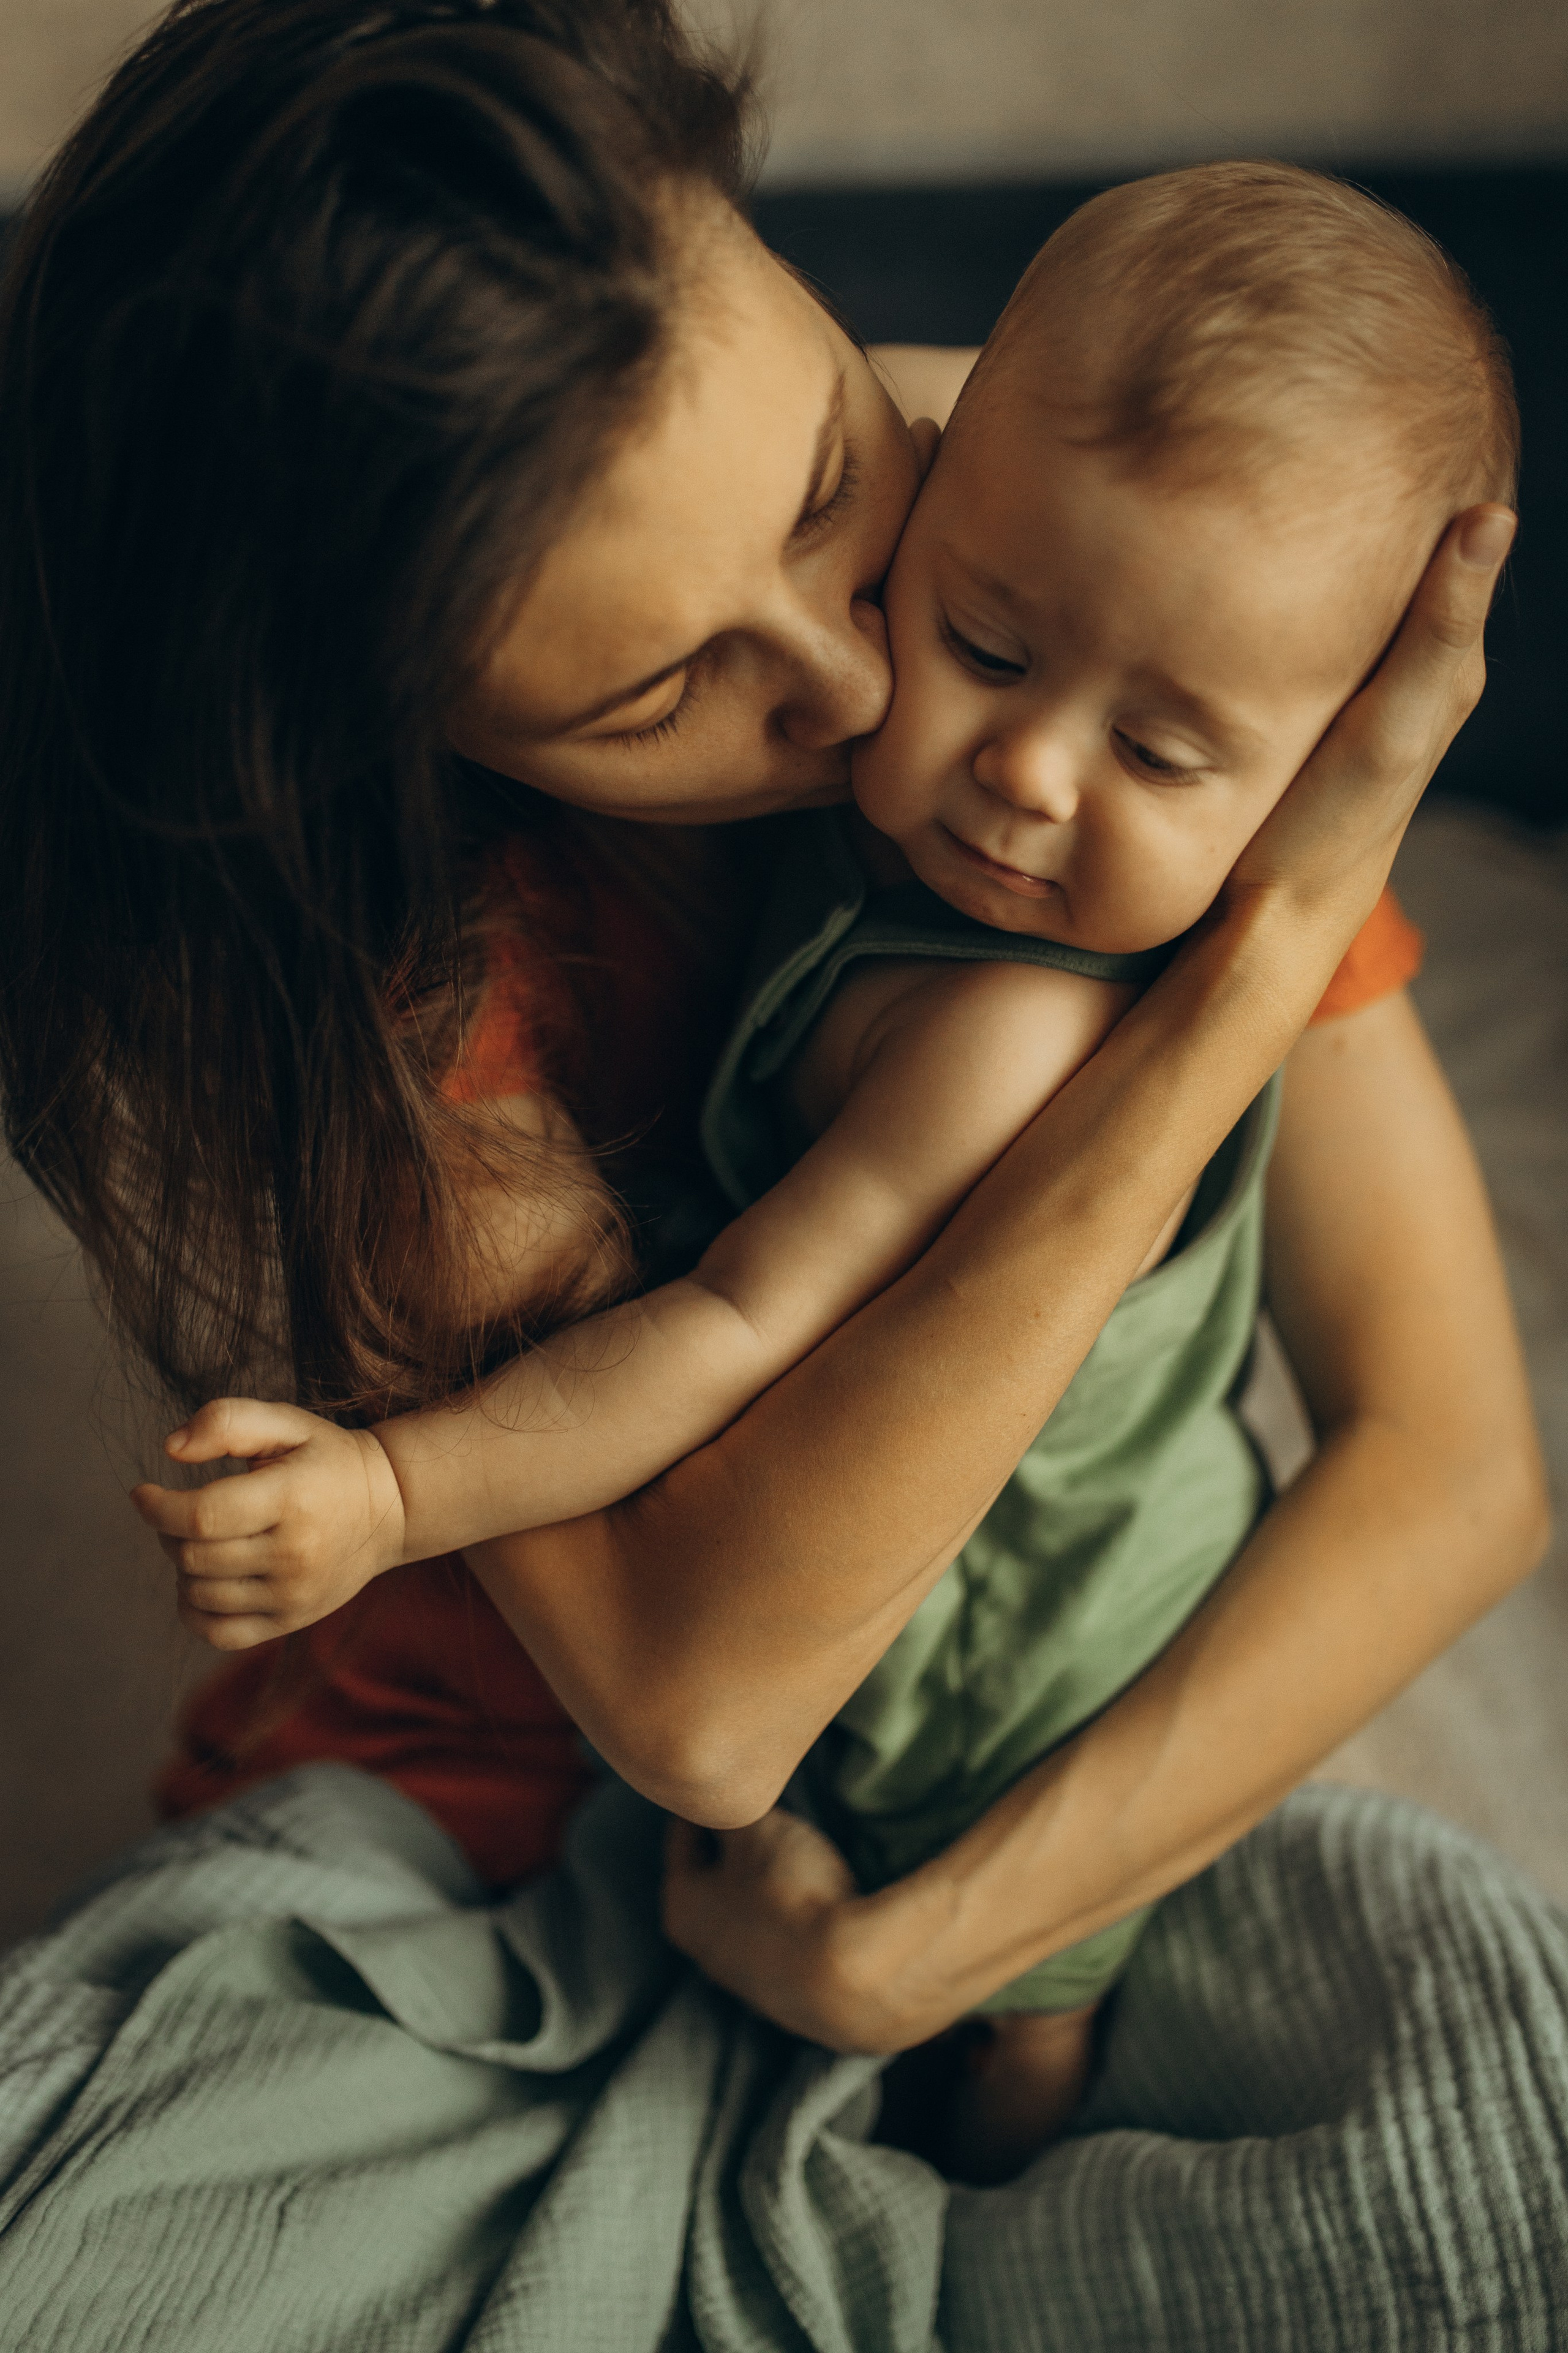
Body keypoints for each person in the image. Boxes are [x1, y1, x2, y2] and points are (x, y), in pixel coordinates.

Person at [0, 0, 1542, 2139]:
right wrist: (1253, 956)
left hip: (936, 1815)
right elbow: (701, 1702)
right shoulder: (402, 978)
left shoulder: (1075, 546)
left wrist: (946, 1943)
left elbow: (1456, 1468)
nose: (875, 678)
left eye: (832, 483)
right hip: (490, 1799)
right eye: (660, 691)